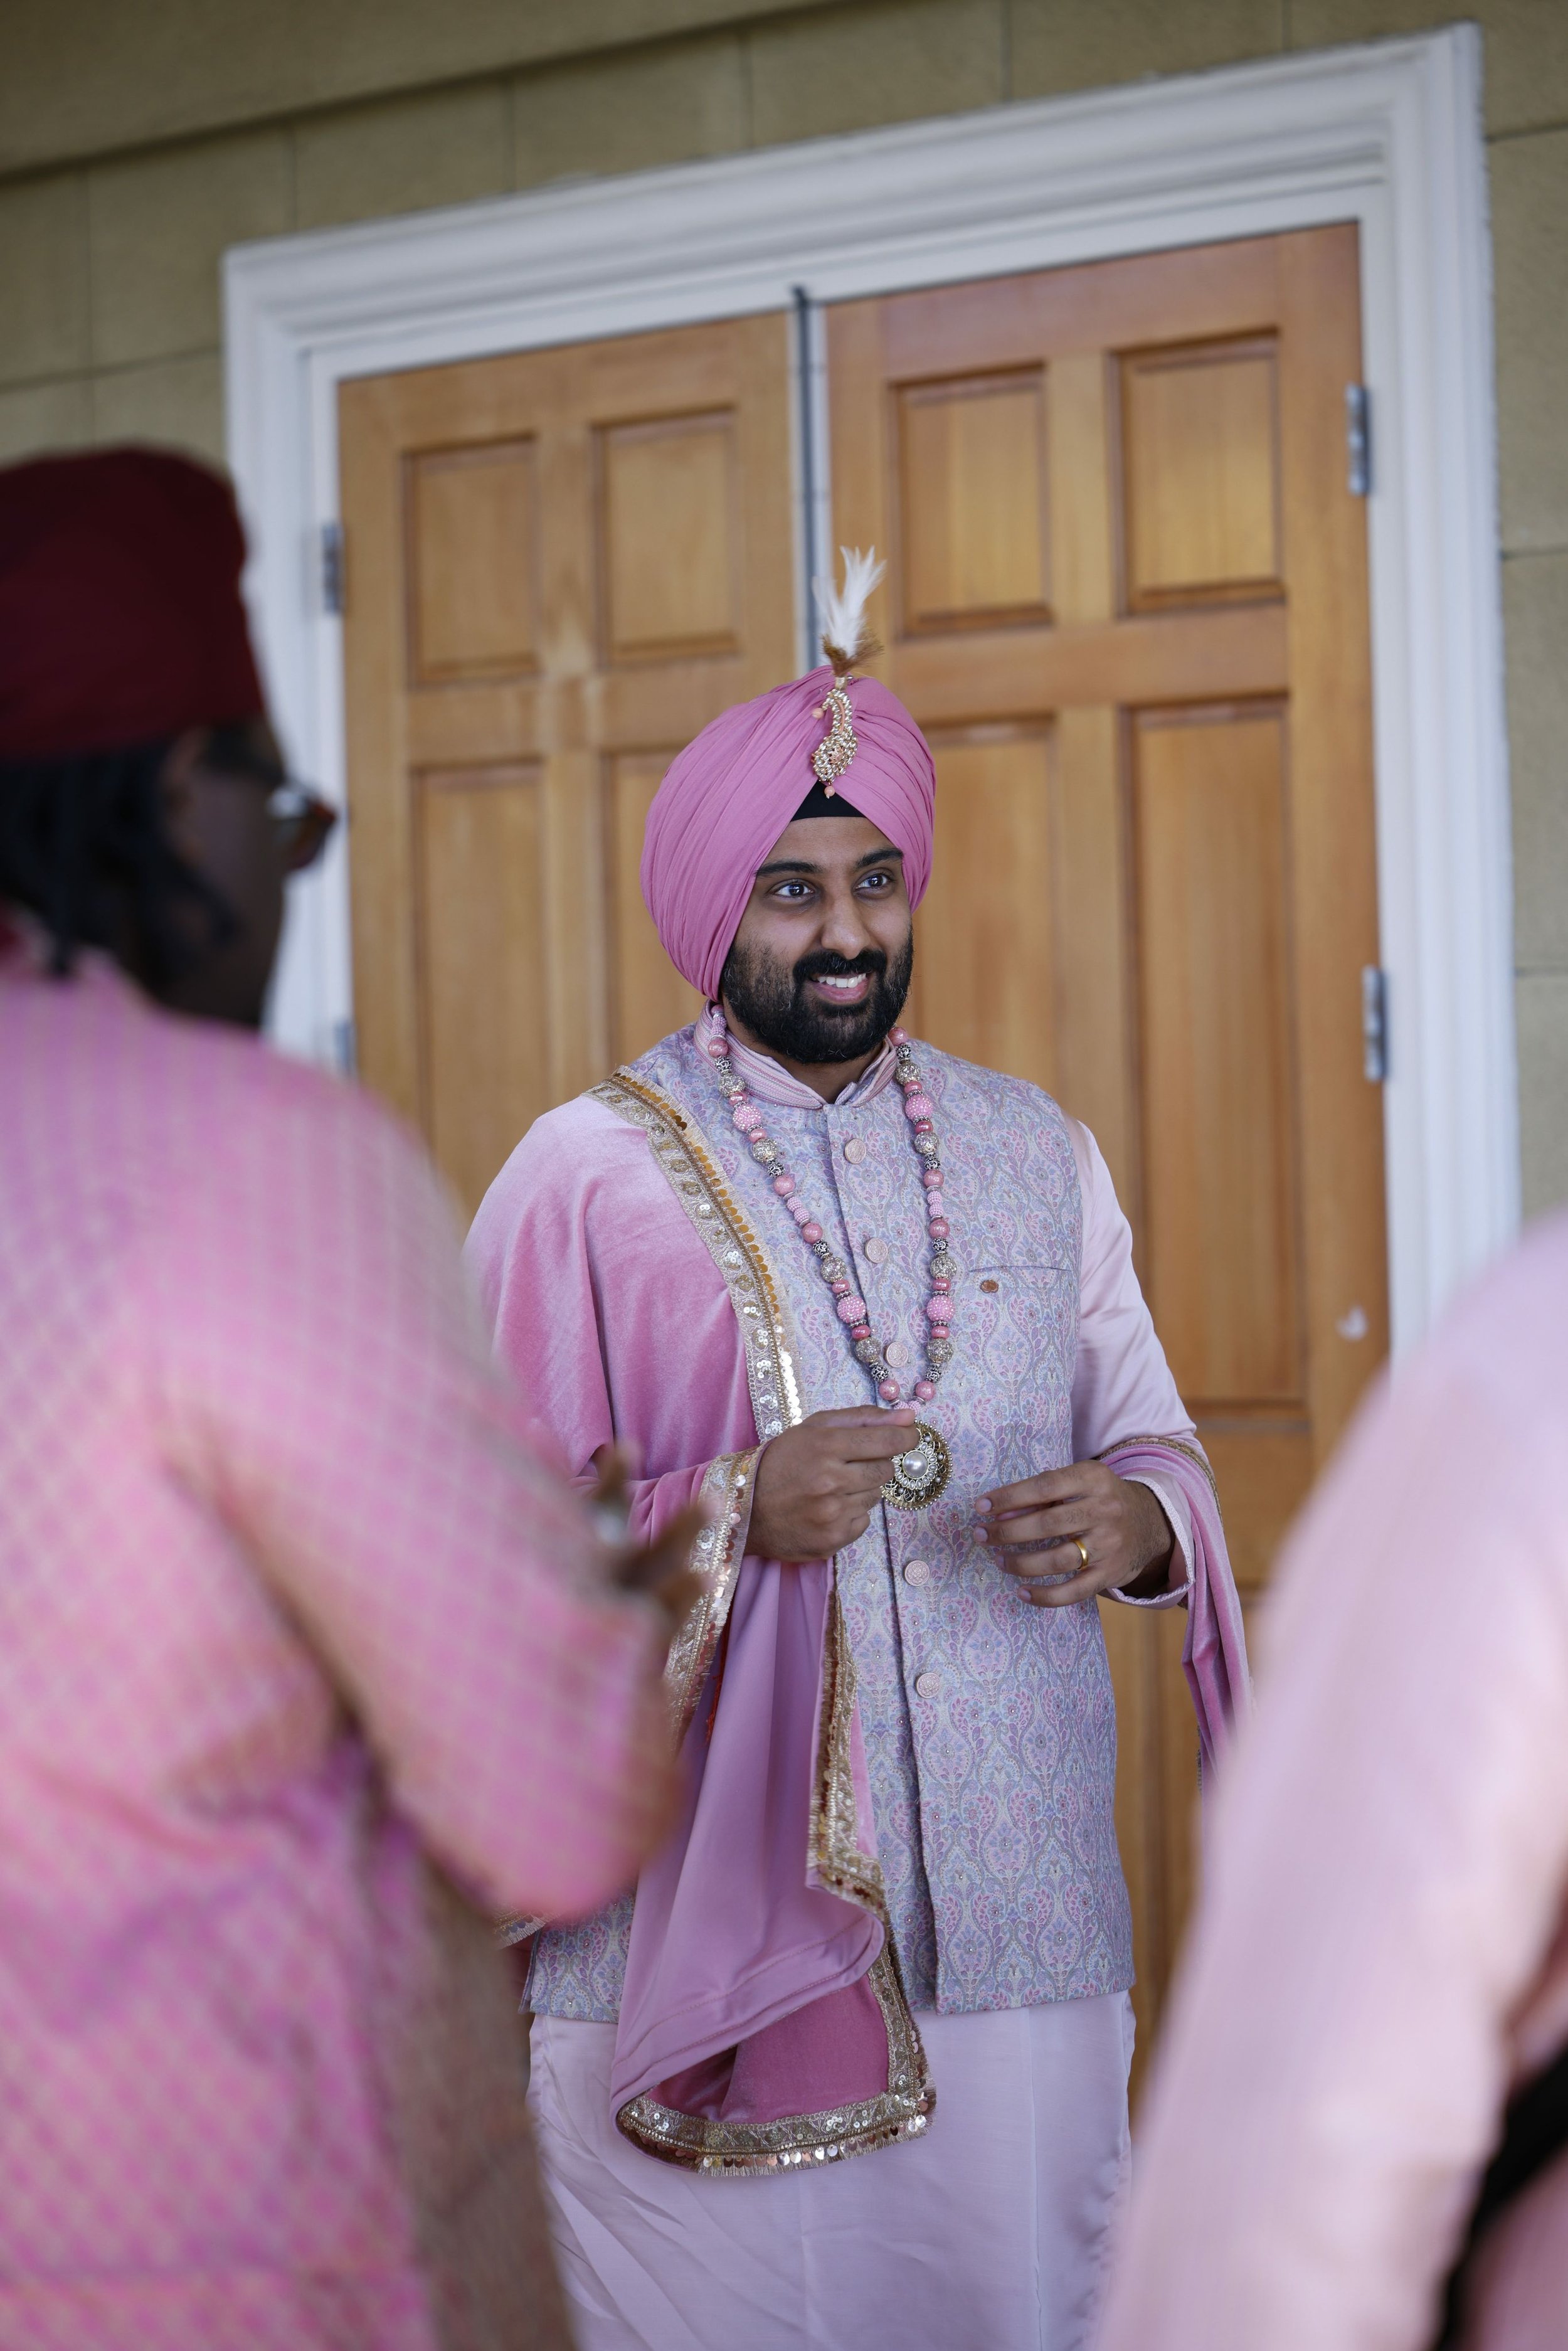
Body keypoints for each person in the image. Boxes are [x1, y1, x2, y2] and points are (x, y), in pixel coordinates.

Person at [466, 552, 1250, 2351]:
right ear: (711, 907)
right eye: (794, 887)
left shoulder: (1033, 1147)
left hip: (1019, 1913)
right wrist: (731, 1511)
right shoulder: (585, 1172)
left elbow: (1159, 1439)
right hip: (687, 1948)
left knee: (1026, 2306)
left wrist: (1139, 1518)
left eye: (877, 881)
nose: (845, 932)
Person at [0, 445, 699, 2350]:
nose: (287, 885)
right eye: (287, 819)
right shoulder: (243, 1157)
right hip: (237, 2256)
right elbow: (548, 1812)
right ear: (173, 795)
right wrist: (597, 1609)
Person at [1096, 1213, 1568, 2351]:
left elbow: (1323, 2113)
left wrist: (1143, 1518)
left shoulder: (1531, 1377)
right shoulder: (587, 1176)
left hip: (1012, 1880)